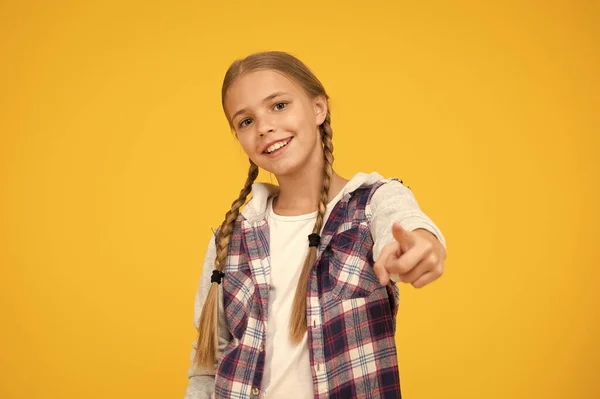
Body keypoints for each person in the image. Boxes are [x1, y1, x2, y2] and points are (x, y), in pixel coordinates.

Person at [184, 51, 447, 399]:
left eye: (278, 105)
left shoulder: (372, 205)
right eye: (245, 121)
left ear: (319, 108)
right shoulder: (230, 239)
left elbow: (407, 226)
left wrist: (420, 246)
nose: (264, 126)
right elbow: (206, 365)